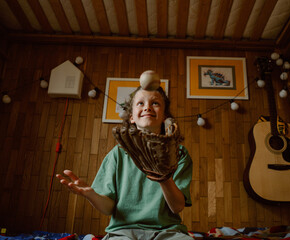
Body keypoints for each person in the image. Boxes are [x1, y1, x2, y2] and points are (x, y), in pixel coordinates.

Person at [56, 86, 193, 240]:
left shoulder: (179, 154)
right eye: (140, 103)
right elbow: (108, 208)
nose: (147, 106)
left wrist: (164, 177)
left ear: (165, 116)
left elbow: (177, 207)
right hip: (123, 232)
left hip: (168, 232)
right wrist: (91, 195)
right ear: (131, 118)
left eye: (155, 103)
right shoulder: (117, 155)